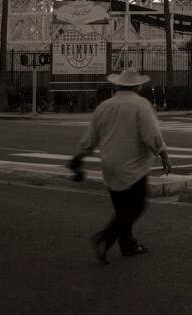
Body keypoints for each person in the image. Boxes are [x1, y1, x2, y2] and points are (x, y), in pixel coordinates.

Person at [69, 67, 171, 264]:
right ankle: (105, 237)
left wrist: (80, 156)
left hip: (109, 164)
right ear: (138, 87)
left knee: (121, 207)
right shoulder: (141, 105)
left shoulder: (104, 106)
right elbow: (151, 133)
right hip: (133, 165)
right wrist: (163, 154)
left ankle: (127, 244)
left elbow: (91, 137)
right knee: (136, 206)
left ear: (118, 85)